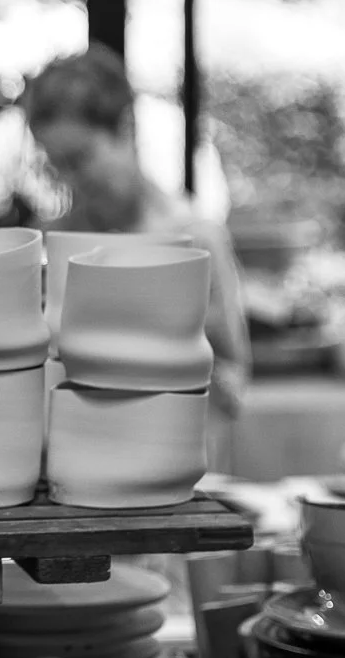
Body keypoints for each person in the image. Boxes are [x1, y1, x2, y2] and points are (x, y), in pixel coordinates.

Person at [21, 44, 251, 437]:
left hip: (169, 444)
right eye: (58, 166)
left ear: (125, 128)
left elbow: (234, 374)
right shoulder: (52, 241)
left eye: (80, 158)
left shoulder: (195, 238)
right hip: (77, 442)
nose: (71, 181)